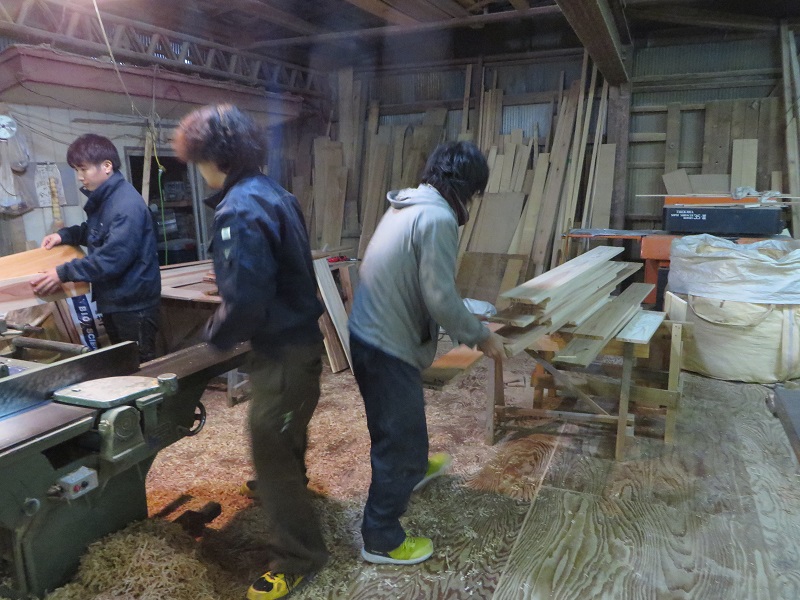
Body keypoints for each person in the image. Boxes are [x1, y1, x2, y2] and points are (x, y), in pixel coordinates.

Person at [172, 104, 328, 600]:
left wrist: (210, 340)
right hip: (300, 342)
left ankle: (299, 556)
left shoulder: (238, 209)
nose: (198, 169)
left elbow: (246, 302)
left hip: (282, 350)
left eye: (198, 160)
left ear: (213, 157)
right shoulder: (275, 193)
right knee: (285, 430)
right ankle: (286, 485)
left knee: (270, 447)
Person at [348, 140, 506, 565]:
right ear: (468, 187)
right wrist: (481, 336)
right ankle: (381, 538)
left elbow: (414, 280)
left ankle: (414, 471)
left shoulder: (406, 206)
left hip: (370, 333)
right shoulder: (437, 218)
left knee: (404, 422)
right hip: (386, 344)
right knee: (397, 440)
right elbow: (438, 297)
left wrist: (461, 309)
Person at [31, 133, 161, 363]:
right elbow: (95, 231)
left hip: (133, 306)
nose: (80, 177)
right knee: (123, 364)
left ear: (107, 166)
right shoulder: (108, 199)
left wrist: (62, 273)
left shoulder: (126, 205)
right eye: (76, 170)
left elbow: (111, 259)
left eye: (84, 169)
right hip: (117, 301)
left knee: (140, 367)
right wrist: (64, 235)